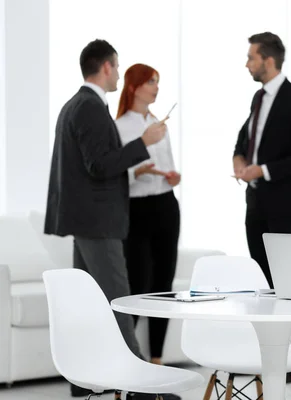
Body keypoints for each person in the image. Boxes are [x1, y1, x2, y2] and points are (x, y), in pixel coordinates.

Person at [44, 39, 171, 400]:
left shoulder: (76, 105)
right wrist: (143, 142)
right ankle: (141, 390)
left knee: (88, 305)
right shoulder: (89, 107)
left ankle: (84, 380)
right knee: (118, 301)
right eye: (116, 66)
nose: (117, 73)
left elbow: (92, 165)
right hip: (97, 224)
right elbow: (99, 165)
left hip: (86, 221)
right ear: (107, 67)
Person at [232, 32, 291, 383]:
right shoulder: (258, 98)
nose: (247, 63)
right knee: (264, 282)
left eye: (251, 57)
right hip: (256, 202)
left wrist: (263, 170)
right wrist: (240, 159)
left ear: (268, 60)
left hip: (285, 204)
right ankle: (271, 358)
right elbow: (244, 140)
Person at [115, 63, 181, 367]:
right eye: (151, 82)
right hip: (137, 208)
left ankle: (157, 362)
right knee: (138, 283)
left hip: (166, 204)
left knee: (164, 286)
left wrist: (173, 176)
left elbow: (167, 163)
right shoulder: (120, 126)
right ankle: (129, 360)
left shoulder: (158, 123)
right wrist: (135, 170)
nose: (156, 87)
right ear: (134, 86)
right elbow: (116, 173)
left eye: (158, 81)